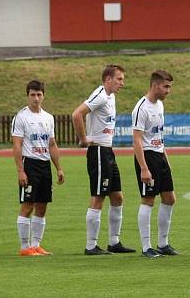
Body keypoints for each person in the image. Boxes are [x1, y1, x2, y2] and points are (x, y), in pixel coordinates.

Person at [72, 65, 135, 255]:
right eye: (119, 79)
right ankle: (91, 245)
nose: (122, 83)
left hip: (108, 151)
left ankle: (114, 242)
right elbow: (77, 114)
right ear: (108, 79)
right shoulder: (100, 95)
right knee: (98, 196)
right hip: (98, 151)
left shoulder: (111, 97)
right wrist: (84, 139)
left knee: (117, 197)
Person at [11, 80, 64, 256]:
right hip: (30, 164)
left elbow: (52, 144)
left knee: (42, 205)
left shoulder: (48, 118)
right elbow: (17, 145)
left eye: (39, 94)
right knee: (27, 205)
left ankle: (36, 245)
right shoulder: (21, 117)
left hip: (44, 165)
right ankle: (25, 247)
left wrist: (59, 168)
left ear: (43, 95)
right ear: (28, 96)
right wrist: (20, 170)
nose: (36, 98)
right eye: (32, 94)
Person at [132, 70, 179, 258]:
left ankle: (163, 243)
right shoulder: (141, 108)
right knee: (148, 200)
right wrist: (144, 167)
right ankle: (146, 247)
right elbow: (136, 140)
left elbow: (159, 135)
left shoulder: (159, 105)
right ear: (155, 85)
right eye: (166, 87)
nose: (168, 91)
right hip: (147, 156)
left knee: (169, 198)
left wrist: (165, 158)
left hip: (159, 156)